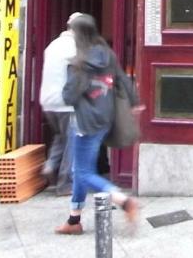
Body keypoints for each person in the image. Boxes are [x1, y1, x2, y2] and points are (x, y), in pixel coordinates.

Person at [56, 13, 139, 236]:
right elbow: (121, 78)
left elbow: (69, 96)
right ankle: (74, 219)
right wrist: (134, 101)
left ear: (79, 34)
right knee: (81, 168)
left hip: (85, 122)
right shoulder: (107, 54)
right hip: (105, 117)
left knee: (82, 172)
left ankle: (123, 200)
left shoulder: (80, 64)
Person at [39, 12, 81, 195]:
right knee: (73, 142)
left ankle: (50, 165)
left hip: (48, 102)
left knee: (60, 136)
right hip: (66, 104)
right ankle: (65, 183)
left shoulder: (52, 46)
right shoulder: (75, 48)